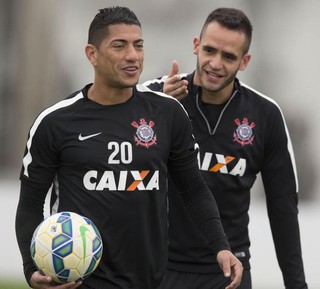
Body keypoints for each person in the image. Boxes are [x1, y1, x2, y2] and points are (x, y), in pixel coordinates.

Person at [15, 6, 243, 289]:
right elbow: (30, 203)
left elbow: (193, 189)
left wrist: (221, 246)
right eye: (119, 46)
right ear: (92, 54)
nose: (133, 56)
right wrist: (30, 267)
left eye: (138, 45)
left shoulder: (168, 114)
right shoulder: (55, 122)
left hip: (150, 280)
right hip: (80, 283)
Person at [144, 7, 308, 289]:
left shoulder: (265, 115)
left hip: (229, 272)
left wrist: (297, 284)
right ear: (196, 45)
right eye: (209, 50)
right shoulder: (155, 98)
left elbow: (282, 208)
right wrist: (156, 110)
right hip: (160, 268)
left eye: (229, 56)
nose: (215, 63)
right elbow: (118, 168)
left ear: (244, 61)